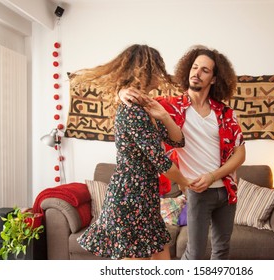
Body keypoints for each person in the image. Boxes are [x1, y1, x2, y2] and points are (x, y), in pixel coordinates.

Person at [119, 45, 246, 260]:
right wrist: (120, 92)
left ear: (214, 79)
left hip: (226, 191)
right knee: (194, 254)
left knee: (222, 250)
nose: (196, 73)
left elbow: (240, 154)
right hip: (197, 193)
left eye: (205, 70)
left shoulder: (226, 114)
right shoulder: (170, 106)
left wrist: (213, 176)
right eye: (194, 67)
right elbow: (134, 100)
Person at [75, 44, 191, 260]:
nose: (161, 74)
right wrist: (186, 184)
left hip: (145, 198)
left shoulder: (146, 107)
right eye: (157, 68)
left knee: (162, 258)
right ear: (144, 71)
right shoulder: (132, 111)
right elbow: (160, 161)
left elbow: (178, 141)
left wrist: (164, 116)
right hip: (130, 199)